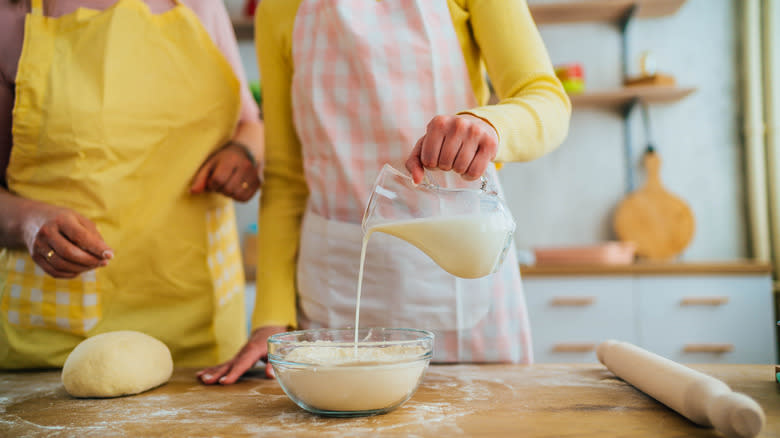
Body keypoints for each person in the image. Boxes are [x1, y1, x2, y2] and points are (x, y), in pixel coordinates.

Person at [199, 0, 571, 384]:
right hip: (337, 287)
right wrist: (270, 318)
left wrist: (489, 126)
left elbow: (545, 97)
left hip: (460, 275)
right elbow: (286, 177)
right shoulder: (277, 9)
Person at [0, 0, 263, 368]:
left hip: (204, 339)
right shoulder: (12, 16)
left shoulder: (201, 6)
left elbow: (249, 123)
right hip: (56, 348)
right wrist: (26, 222)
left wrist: (244, 153)